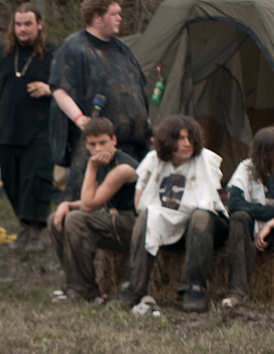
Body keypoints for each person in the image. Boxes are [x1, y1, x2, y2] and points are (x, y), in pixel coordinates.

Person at [116, 115, 226, 312]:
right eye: (181, 138)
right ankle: (133, 287)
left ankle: (194, 289)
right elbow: (141, 201)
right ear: (168, 140)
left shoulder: (206, 160)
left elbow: (208, 202)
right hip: (169, 225)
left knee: (200, 216)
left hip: (205, 228)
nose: (187, 143)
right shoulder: (154, 160)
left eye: (190, 138)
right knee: (146, 216)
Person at [49, 0, 149, 200]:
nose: (119, 18)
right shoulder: (74, 47)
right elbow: (59, 89)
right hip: (97, 144)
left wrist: (146, 124)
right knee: (88, 204)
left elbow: (137, 89)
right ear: (97, 17)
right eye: (114, 14)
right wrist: (79, 119)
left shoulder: (122, 49)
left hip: (132, 144)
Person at [0, 3, 54, 251]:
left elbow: (66, 87)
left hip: (41, 132)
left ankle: (36, 232)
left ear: (39, 25)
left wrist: (48, 89)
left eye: (28, 24)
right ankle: (24, 227)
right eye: (18, 24)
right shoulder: (3, 54)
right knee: (12, 181)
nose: (22, 29)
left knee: (36, 181)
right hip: (9, 130)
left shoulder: (52, 54)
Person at [49, 116, 137, 302]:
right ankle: (75, 284)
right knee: (57, 218)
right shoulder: (103, 163)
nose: (98, 149)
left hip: (134, 225)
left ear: (114, 140)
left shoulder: (122, 168)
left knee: (76, 220)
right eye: (93, 144)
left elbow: (89, 205)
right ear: (86, 145)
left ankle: (84, 289)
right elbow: (94, 199)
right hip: (113, 219)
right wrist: (67, 205)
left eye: (103, 143)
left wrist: (91, 166)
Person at [223, 126, 274, 308]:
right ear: (265, 154)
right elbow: (235, 204)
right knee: (239, 218)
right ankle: (238, 292)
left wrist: (270, 224)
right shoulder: (246, 168)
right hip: (252, 229)